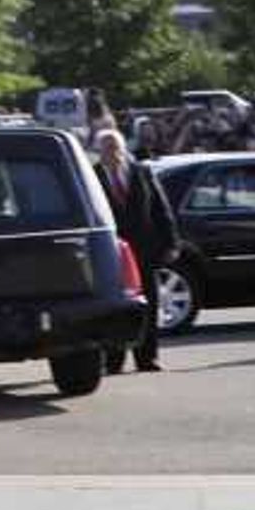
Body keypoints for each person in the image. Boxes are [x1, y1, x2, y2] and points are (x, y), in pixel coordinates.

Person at [91, 128, 177, 375]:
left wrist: (171, 243)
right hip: (111, 253)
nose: (113, 154)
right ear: (100, 152)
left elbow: (161, 209)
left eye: (116, 148)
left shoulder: (141, 172)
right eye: (107, 149)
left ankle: (147, 358)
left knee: (148, 305)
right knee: (114, 307)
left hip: (144, 251)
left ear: (123, 148)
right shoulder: (93, 176)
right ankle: (114, 360)